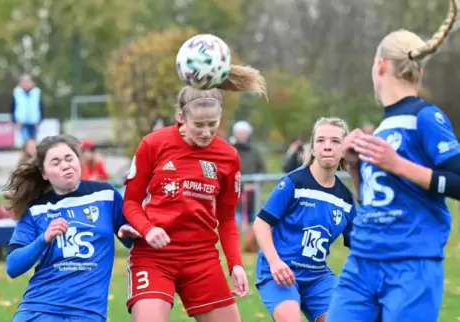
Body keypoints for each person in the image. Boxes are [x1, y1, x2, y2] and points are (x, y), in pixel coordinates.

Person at [327, 2, 460, 321]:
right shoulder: (384, 128)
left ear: (381, 66)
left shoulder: (426, 117)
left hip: (411, 266)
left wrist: (398, 164)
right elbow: (374, 203)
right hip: (362, 263)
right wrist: (356, 167)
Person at [123, 64, 266, 322]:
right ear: (181, 117)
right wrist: (148, 229)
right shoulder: (153, 144)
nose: (206, 132)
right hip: (154, 255)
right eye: (198, 124)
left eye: (213, 124)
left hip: (201, 257)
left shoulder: (228, 156)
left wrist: (235, 264)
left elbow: (226, 218)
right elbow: (131, 203)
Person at [3, 135, 140, 322]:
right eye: (56, 162)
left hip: (88, 314)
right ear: (44, 173)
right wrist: (43, 239)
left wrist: (129, 234)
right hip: (39, 311)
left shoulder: (105, 195)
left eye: (69, 158)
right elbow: (13, 266)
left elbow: (132, 240)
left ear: (78, 160)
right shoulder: (36, 210)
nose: (65, 165)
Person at [254, 117, 356, 322]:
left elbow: (361, 244)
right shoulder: (294, 182)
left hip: (317, 277)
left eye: (335, 141)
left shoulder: (346, 199)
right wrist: (275, 263)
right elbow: (261, 224)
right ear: (312, 147)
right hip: (280, 271)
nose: (327, 146)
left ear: (344, 149)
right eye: (321, 140)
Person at [230, 120, 266, 253]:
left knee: (253, 220)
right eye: (239, 133)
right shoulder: (230, 150)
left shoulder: (255, 151)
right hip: (234, 195)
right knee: (234, 221)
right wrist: (242, 184)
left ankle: (250, 245)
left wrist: (255, 184)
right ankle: (233, 247)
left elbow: (262, 170)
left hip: (252, 195)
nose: (241, 135)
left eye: (244, 133)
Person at [11, 74, 44, 145]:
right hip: (22, 121)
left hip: (34, 121)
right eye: (24, 82)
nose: (26, 84)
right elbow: (13, 107)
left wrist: (40, 120)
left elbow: (41, 107)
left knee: (34, 141)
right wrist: (14, 120)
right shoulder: (17, 93)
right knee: (26, 141)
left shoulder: (36, 92)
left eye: (27, 82)